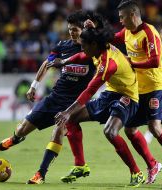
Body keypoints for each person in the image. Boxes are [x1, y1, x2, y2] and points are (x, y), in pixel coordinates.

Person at [34, 24, 149, 187]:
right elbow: (81, 56)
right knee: (71, 119)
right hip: (111, 93)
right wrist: (64, 61)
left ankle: (136, 173)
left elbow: (89, 91)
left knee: (110, 131)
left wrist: (67, 111)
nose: (81, 48)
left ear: (93, 45)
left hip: (127, 96)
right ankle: (80, 165)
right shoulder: (97, 48)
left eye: (84, 45)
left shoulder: (108, 64)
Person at [0, 11, 96, 184]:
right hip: (55, 97)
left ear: (83, 29)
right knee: (22, 129)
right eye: (70, 29)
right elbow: (47, 63)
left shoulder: (92, 48)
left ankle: (40, 174)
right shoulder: (62, 46)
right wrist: (33, 86)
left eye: (75, 29)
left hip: (74, 104)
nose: (72, 33)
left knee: (58, 130)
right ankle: (15, 138)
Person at [108, 0, 162, 180]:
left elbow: (154, 61)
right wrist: (94, 29)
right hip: (137, 88)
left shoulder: (149, 32)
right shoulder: (127, 32)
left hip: (155, 86)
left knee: (154, 128)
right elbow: (111, 37)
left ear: (132, 15)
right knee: (129, 129)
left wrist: (131, 62)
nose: (120, 21)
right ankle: (152, 164)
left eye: (122, 17)